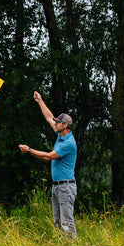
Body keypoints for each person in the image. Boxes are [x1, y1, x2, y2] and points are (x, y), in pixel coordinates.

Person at [18, 91, 77, 238]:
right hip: (57, 185)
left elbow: (48, 157)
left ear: (65, 125)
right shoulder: (60, 134)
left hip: (66, 186)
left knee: (66, 222)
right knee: (57, 222)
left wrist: (29, 150)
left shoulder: (68, 143)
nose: (55, 123)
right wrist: (40, 101)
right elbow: (48, 116)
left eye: (58, 122)